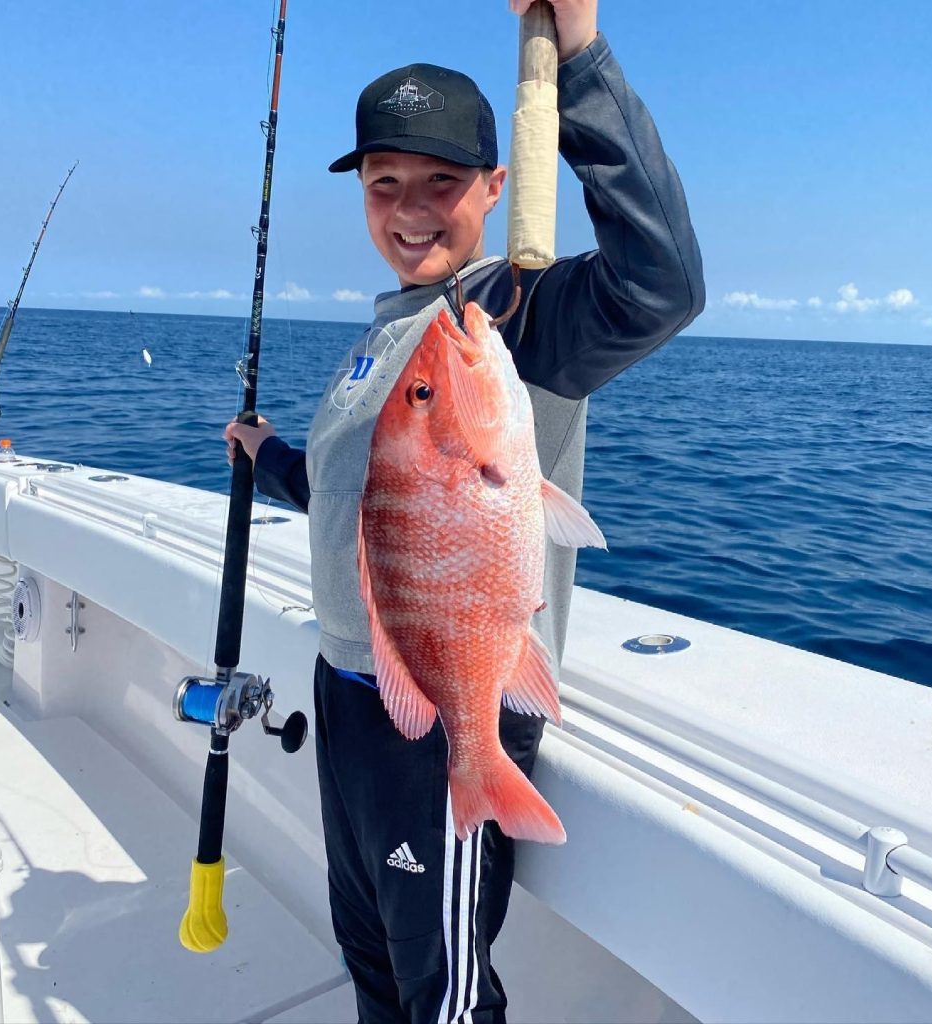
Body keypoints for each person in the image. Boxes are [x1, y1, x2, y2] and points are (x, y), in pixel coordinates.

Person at [225, 1, 704, 1020]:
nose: (409, 208)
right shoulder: (383, 341)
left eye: (442, 182)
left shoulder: (519, 317)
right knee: (371, 955)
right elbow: (354, 502)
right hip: (354, 697)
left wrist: (577, 55)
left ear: (495, 187)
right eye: (383, 182)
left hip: (444, 716)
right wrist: (269, 457)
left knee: (442, 993)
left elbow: (662, 285)